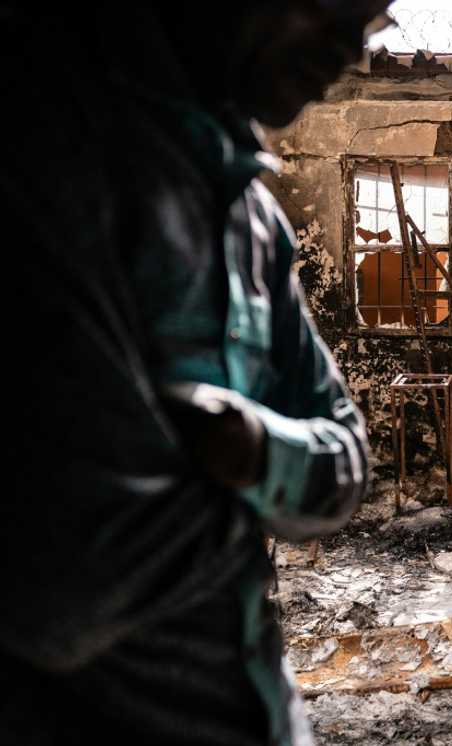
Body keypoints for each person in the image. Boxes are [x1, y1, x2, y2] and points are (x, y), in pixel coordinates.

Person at [0, 2, 392, 743]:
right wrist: (259, 500)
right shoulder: (53, 156)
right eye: (334, 8)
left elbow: (349, 459)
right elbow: (66, 590)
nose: (351, 51)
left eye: (371, 25)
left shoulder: (251, 219)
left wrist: (251, 447)